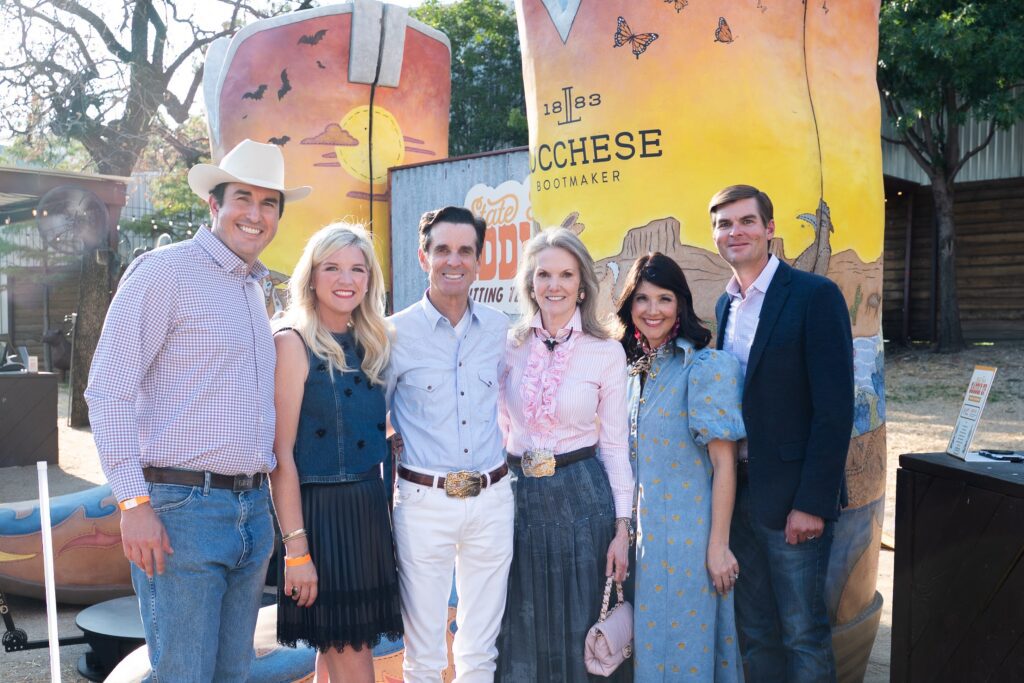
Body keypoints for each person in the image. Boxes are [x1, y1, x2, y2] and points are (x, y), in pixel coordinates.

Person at [85, 139, 311, 681]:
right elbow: (107, 390)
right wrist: (132, 502)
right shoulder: (165, 273)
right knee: (183, 673)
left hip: (251, 513)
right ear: (215, 204)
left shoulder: (255, 290)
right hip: (181, 510)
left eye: (269, 203)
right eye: (243, 198)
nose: (255, 215)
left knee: (233, 674)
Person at [709, 185, 854, 682]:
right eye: (725, 224)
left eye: (746, 221)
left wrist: (812, 503)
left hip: (794, 500)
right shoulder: (724, 307)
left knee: (803, 634)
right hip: (742, 495)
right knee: (756, 632)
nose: (736, 232)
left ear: (770, 229)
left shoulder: (814, 296)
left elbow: (835, 410)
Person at [495, 228, 633, 682]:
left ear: (582, 284)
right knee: (521, 620)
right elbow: (498, 426)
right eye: (544, 274)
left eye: (566, 274)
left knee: (577, 625)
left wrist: (622, 528)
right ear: (530, 283)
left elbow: (614, 445)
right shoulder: (508, 344)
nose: (554, 285)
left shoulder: (607, 351)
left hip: (581, 502)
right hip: (518, 501)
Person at [270, 223, 403, 682]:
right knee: (354, 662)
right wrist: (296, 550)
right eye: (332, 267)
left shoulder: (377, 343)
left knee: (339, 652)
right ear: (311, 276)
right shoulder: (292, 343)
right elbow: (280, 457)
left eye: (356, 268)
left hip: (368, 512)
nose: (345, 279)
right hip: (322, 520)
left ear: (370, 279)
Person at [386, 206, 514, 683]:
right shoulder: (393, 333)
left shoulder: (502, 330)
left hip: (492, 500)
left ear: (480, 260)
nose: (453, 261)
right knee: (423, 656)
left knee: (480, 650)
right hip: (423, 504)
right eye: (442, 250)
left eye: (465, 251)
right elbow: (369, 413)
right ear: (424, 257)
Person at [615, 252, 746, 681]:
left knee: (685, 654)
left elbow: (725, 466)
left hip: (692, 543)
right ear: (629, 306)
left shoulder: (703, 368)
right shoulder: (632, 369)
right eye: (642, 299)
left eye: (665, 299)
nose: (653, 311)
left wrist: (718, 546)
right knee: (653, 654)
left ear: (681, 306)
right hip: (645, 543)